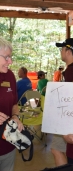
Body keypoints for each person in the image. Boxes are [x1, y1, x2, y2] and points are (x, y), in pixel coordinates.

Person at [50, 38, 73, 167]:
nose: (61, 51)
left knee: (56, 149)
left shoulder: (70, 72)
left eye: (62, 49)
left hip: (68, 119)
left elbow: (69, 99)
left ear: (68, 51)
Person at [0, 37, 24, 171]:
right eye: (6, 57)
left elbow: (14, 104)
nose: (11, 61)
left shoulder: (9, 75)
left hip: (8, 143)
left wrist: (15, 116)